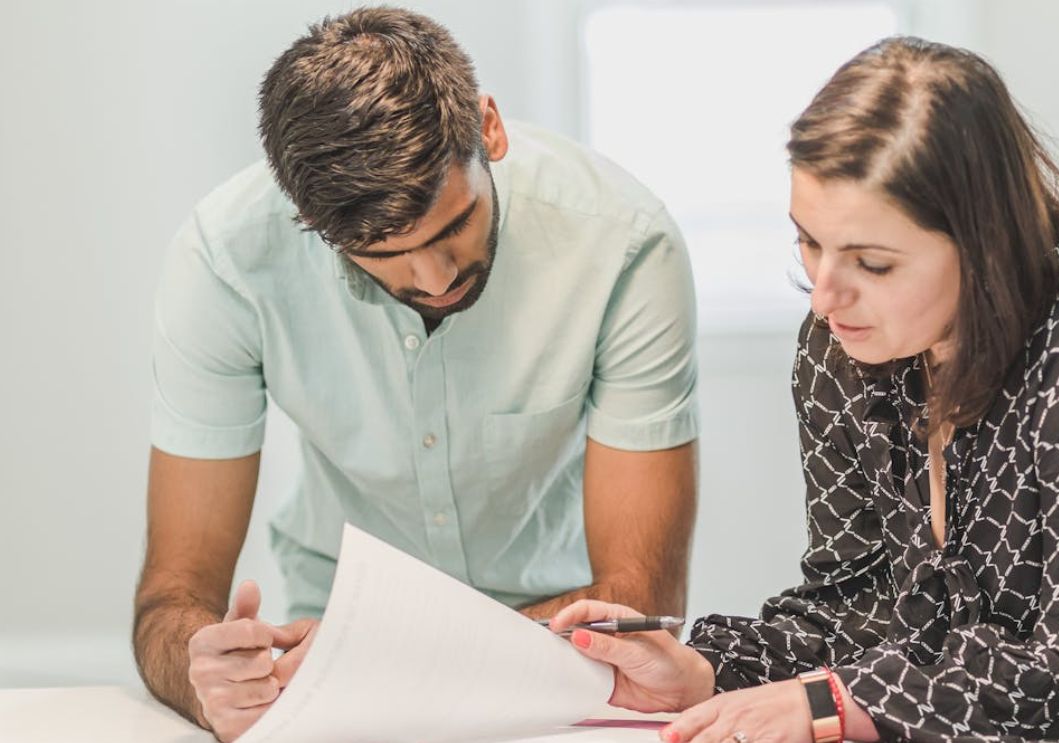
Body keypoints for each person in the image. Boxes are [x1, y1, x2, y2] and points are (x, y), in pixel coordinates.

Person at [550, 36, 1059, 742]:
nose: (824, 293)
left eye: (873, 263)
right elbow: (853, 608)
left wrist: (831, 703)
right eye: (807, 242)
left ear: (983, 243)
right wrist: (705, 668)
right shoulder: (841, 349)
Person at [132, 8, 699, 741]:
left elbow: (638, 597)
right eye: (383, 253)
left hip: (567, 661)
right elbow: (170, 597)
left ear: (488, 129)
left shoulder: (625, 243)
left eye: (451, 225)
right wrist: (202, 672)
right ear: (308, 221)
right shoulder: (226, 260)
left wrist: (373, 658)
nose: (433, 278)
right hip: (332, 654)